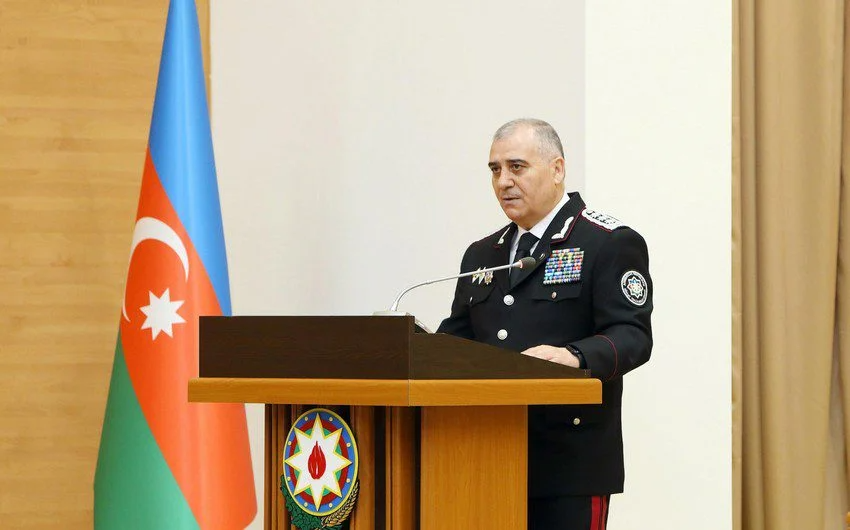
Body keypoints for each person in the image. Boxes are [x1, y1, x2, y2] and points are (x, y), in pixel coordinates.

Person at [437, 118, 653, 529]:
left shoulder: (606, 241)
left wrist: (574, 356)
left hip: (568, 463)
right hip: (484, 456)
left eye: (517, 167)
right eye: (495, 169)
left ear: (557, 169)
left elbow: (633, 335)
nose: (503, 181)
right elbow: (457, 341)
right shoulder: (483, 254)